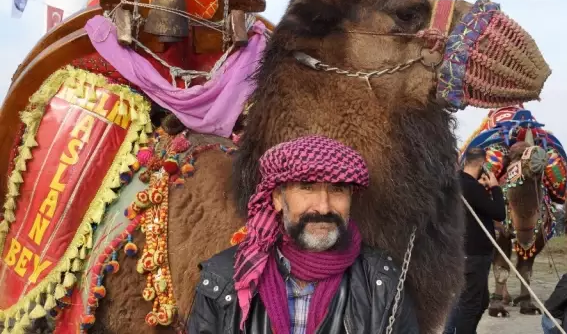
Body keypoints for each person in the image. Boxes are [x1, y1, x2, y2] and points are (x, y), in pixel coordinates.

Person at [187, 135, 419, 333]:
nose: (324, 207)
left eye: (337, 189)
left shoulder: (382, 282)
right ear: (278, 198)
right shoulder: (223, 279)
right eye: (307, 187)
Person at [444, 147, 506, 334]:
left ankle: (451, 331)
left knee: (475, 300)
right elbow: (499, 213)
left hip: (460, 251)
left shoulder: (455, 185)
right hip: (475, 254)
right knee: (471, 304)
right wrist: (495, 187)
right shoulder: (472, 188)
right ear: (482, 164)